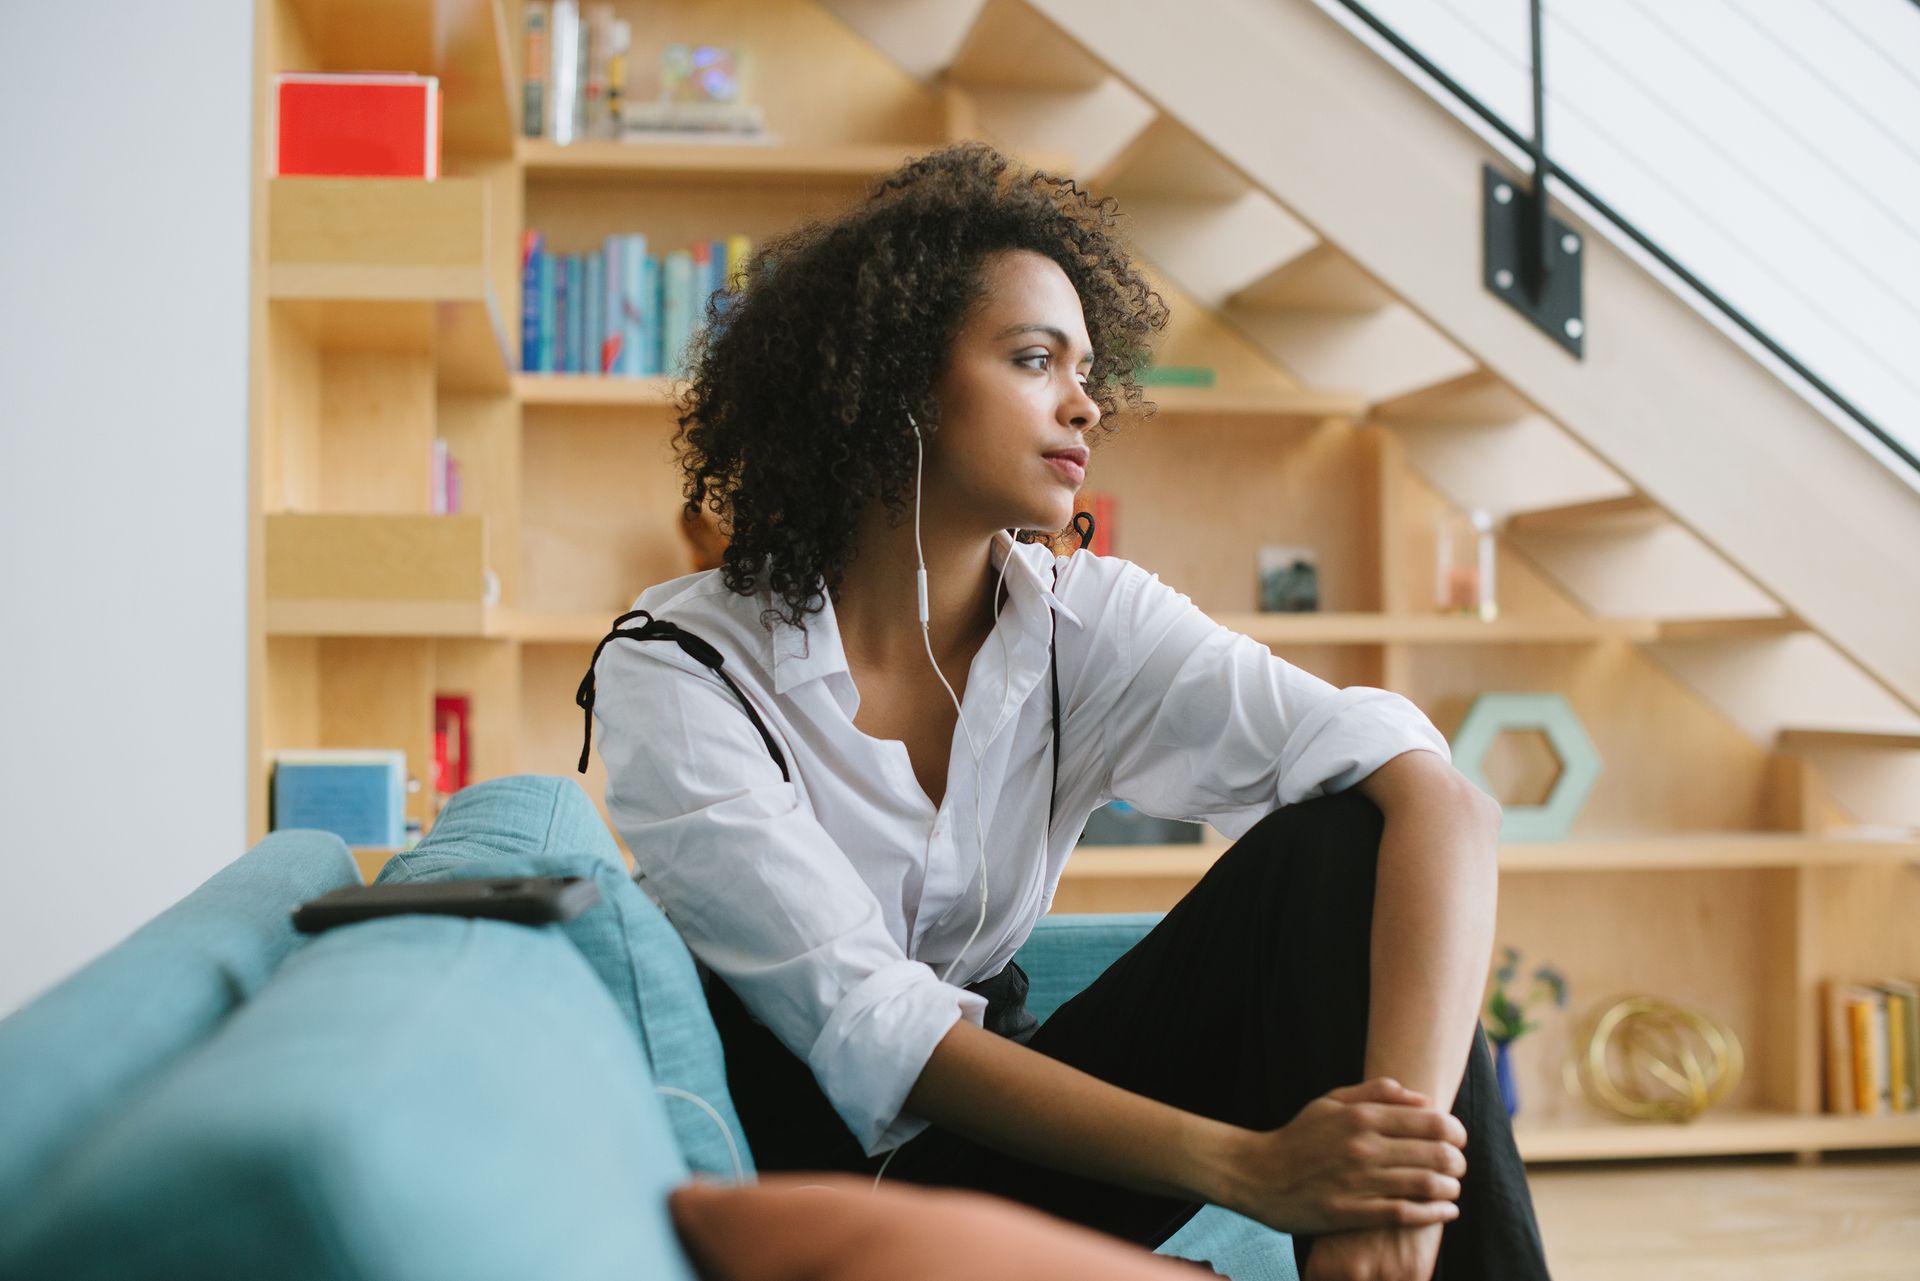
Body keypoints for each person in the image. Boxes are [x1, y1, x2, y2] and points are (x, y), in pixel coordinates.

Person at [579, 141, 1552, 1281]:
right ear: (894, 382)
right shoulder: (683, 669)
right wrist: (1252, 1168)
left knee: (1347, 838)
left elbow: (1439, 800)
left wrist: (1390, 1200)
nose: (1086, 403)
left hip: (1027, 1136)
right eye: (1036, 359)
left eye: (1088, 367)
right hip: (846, 1171)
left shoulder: (1079, 621)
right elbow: (877, 1031)